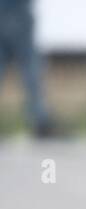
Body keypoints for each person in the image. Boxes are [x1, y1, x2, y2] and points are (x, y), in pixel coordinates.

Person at [0, 0, 53, 137]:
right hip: (18, 11)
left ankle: (40, 120)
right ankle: (40, 120)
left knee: (30, 70)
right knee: (30, 69)